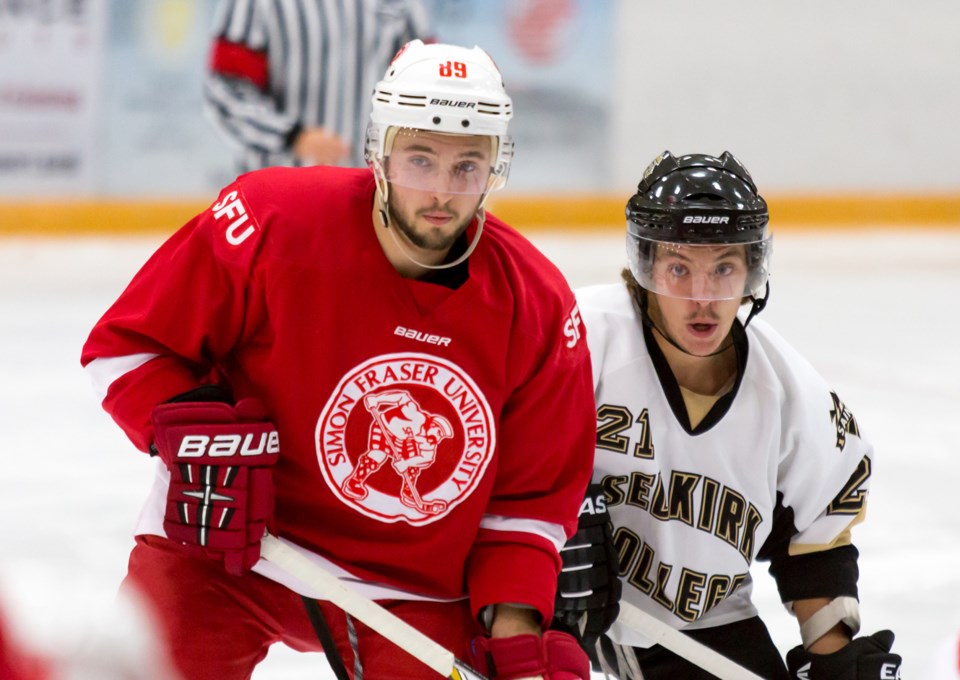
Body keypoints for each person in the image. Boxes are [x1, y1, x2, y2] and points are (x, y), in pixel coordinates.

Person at [82, 39, 595, 680]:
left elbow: (529, 503)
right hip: (225, 550)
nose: (441, 192)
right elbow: (130, 345)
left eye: (467, 166)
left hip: (410, 587)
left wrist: (516, 632)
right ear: (378, 154)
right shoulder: (272, 221)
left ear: (497, 165)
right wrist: (183, 426)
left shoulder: (538, 305)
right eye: (419, 160)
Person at [552, 151, 903, 678]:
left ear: (750, 271)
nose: (703, 297)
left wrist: (835, 658)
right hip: (557, 614)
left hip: (702, 626)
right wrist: (544, 533)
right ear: (645, 266)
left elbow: (814, 544)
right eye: (679, 268)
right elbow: (491, 456)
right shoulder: (578, 338)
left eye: (723, 268)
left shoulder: (790, 394)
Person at [204, 0, 432, 171]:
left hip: (370, 193)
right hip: (279, 192)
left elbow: (428, 78)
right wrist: (291, 137)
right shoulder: (257, 5)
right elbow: (226, 90)